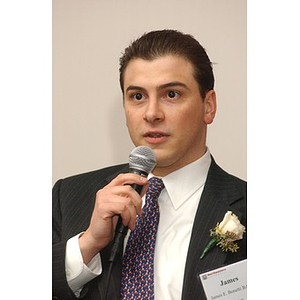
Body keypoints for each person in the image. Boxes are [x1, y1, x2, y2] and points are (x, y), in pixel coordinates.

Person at [52, 29, 246, 300]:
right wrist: (88, 245)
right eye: (138, 97)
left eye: (172, 94)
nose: (152, 113)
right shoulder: (68, 197)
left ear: (208, 106)